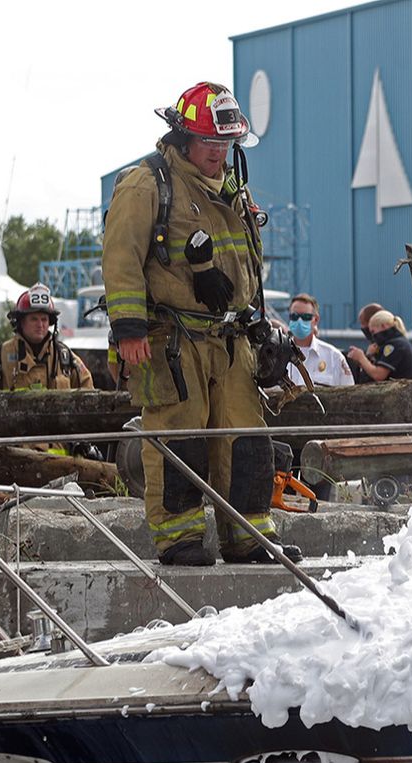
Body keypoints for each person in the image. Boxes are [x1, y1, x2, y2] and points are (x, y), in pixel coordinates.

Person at [102, 81, 301, 566]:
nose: (219, 154)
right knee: (179, 436)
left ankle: (250, 536)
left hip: (232, 339)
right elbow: (121, 257)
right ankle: (180, 539)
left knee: (245, 439)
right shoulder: (147, 183)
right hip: (172, 338)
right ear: (184, 137)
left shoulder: (232, 190)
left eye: (227, 145)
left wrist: (259, 321)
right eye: (211, 144)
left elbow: (247, 263)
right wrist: (128, 329)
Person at [0, 284, 93, 392]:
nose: (40, 325)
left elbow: (89, 395)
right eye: (34, 319)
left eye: (44, 319)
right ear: (21, 322)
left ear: (50, 322)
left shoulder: (65, 358)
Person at [285, 293, 353, 387]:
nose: (299, 321)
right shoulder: (278, 355)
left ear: (316, 319)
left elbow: (348, 394)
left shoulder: (333, 356)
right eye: (294, 317)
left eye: (306, 317)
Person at [348, 309, 412, 382]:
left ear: (383, 326)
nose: (373, 336)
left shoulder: (394, 346)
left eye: (373, 331)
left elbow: (379, 375)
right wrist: (369, 356)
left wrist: (361, 357)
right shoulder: (400, 342)